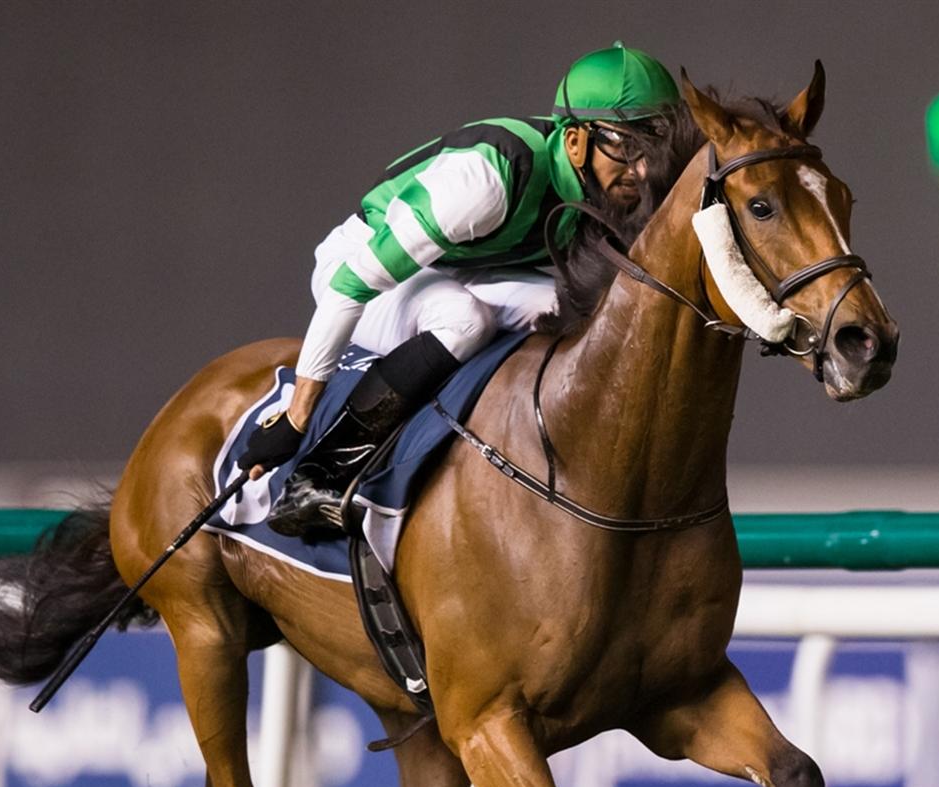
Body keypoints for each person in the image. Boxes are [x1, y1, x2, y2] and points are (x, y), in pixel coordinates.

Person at [238, 42, 682, 536]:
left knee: (577, 312)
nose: (642, 170)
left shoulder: (603, 186)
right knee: (464, 320)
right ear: (575, 141)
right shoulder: (486, 179)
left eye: (656, 148)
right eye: (625, 146)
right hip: (365, 268)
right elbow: (348, 286)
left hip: (462, 269)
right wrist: (298, 416)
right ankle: (320, 473)